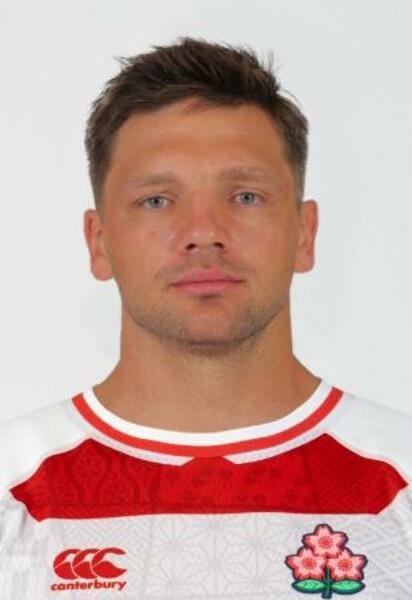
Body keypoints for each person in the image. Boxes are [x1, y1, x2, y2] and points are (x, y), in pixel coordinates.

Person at [0, 36, 411, 599]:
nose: (203, 233)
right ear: (98, 242)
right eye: (156, 200)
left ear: (304, 233)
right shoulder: (12, 492)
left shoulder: (401, 480)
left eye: (245, 196)